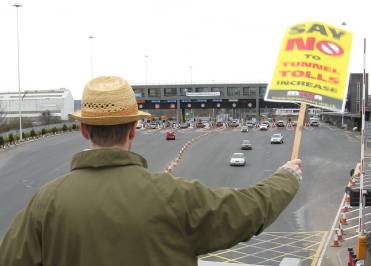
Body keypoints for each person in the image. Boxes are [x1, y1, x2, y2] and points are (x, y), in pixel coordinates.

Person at [0, 76, 302, 266]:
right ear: (134, 129)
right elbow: (248, 211)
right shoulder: (173, 196)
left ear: (83, 130)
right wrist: (286, 178)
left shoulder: (45, 204)